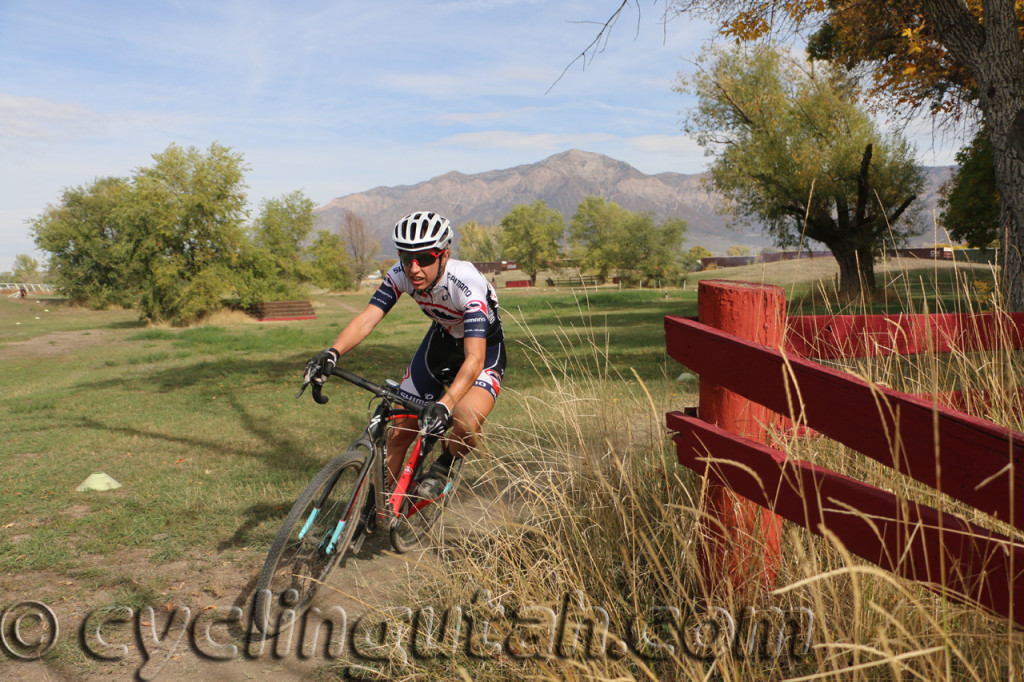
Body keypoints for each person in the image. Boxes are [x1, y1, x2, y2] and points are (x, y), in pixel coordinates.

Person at [305, 211, 506, 499]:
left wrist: (446, 405)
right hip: (440, 344)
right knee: (400, 433)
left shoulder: (467, 284)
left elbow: (474, 358)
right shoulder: (401, 275)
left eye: (424, 258)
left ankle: (444, 465)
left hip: (483, 351)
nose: (414, 268)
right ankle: (370, 512)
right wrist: (332, 352)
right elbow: (368, 319)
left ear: (444, 256)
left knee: (466, 423)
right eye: (406, 258)